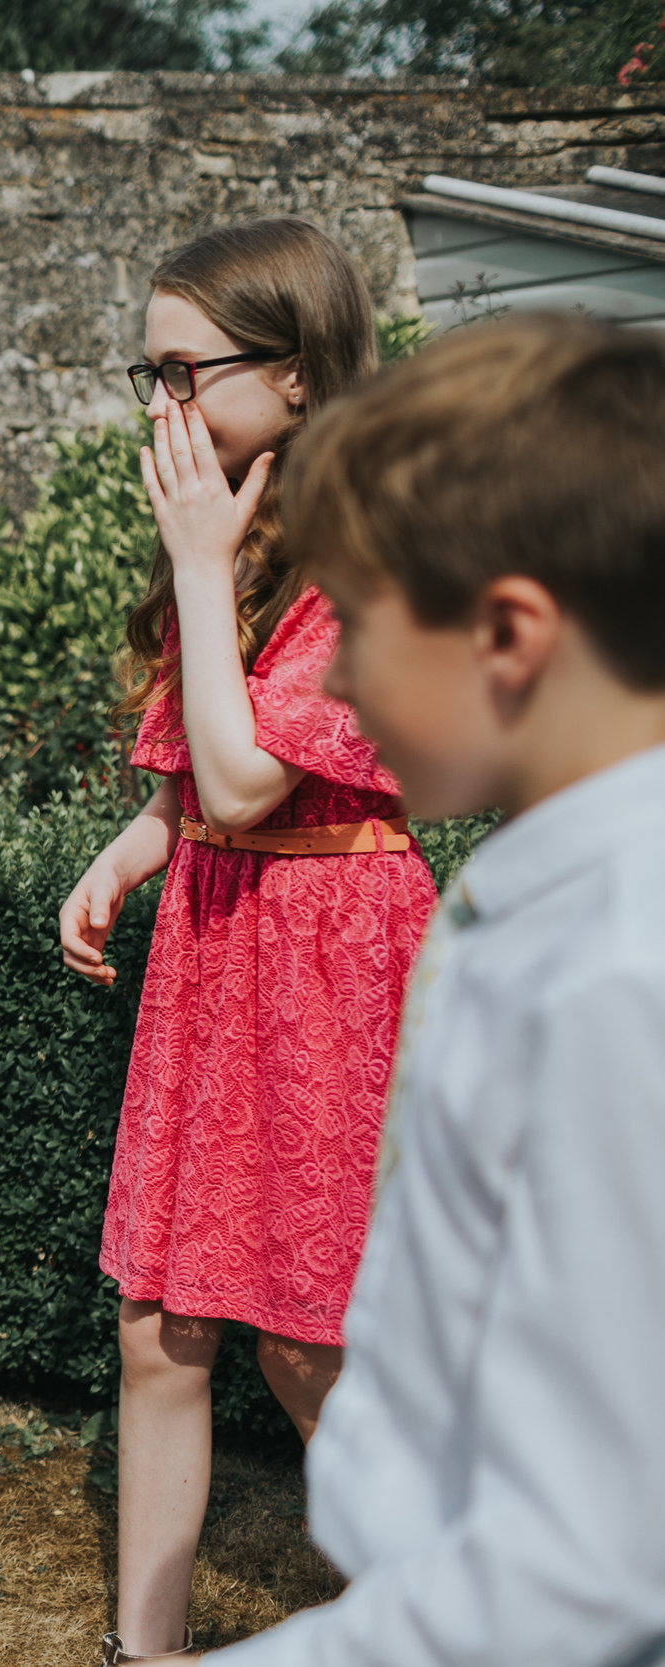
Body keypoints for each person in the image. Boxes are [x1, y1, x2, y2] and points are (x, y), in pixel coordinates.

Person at [194, 315, 665, 1662]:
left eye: (362, 620)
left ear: (506, 633)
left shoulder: (618, 973)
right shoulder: (547, 897)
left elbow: (587, 1568)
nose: (335, 672)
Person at [54, 217, 438, 1664]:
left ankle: (443, 1609)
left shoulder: (369, 551)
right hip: (224, 948)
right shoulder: (233, 537)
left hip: (335, 960)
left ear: (294, 375)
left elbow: (252, 777)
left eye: (183, 371)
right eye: (144, 373)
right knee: (162, 1328)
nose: (159, 405)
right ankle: (141, 1653)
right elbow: (201, 786)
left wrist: (202, 566)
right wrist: (135, 847)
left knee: (308, 1337)